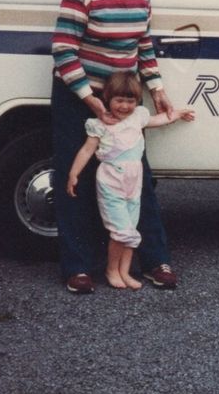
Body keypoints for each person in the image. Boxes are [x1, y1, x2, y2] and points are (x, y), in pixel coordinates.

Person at [51, 0, 180, 295]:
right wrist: (91, 101)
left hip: (123, 99)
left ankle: (156, 261)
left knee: (135, 176)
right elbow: (63, 49)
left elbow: (143, 43)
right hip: (80, 95)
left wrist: (156, 88)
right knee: (76, 179)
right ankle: (77, 268)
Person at [67, 72, 194, 290]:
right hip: (111, 182)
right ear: (107, 99)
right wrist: (73, 173)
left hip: (133, 183)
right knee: (120, 229)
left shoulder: (138, 117)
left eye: (130, 101)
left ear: (136, 102)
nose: (124, 106)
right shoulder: (100, 124)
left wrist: (179, 113)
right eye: (119, 100)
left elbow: (159, 119)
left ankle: (124, 271)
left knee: (131, 229)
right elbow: (87, 150)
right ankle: (111, 270)